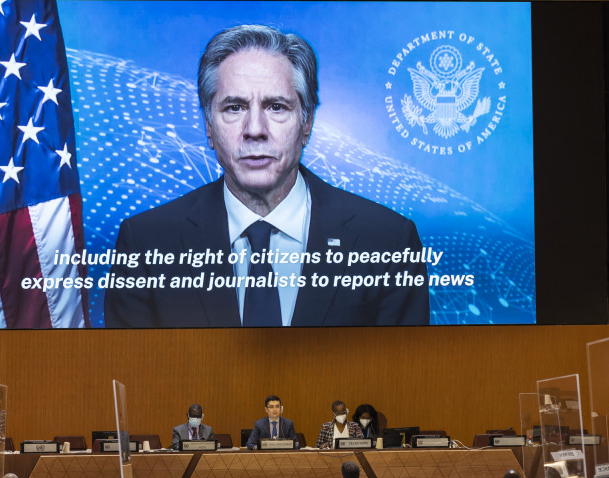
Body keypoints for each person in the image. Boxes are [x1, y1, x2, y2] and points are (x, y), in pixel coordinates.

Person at [104, 24, 429, 329]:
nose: (255, 130)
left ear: (307, 123)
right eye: (234, 108)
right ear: (208, 126)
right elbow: (134, 382)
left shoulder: (389, 241)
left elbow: (399, 384)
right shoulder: (145, 244)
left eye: (276, 107)